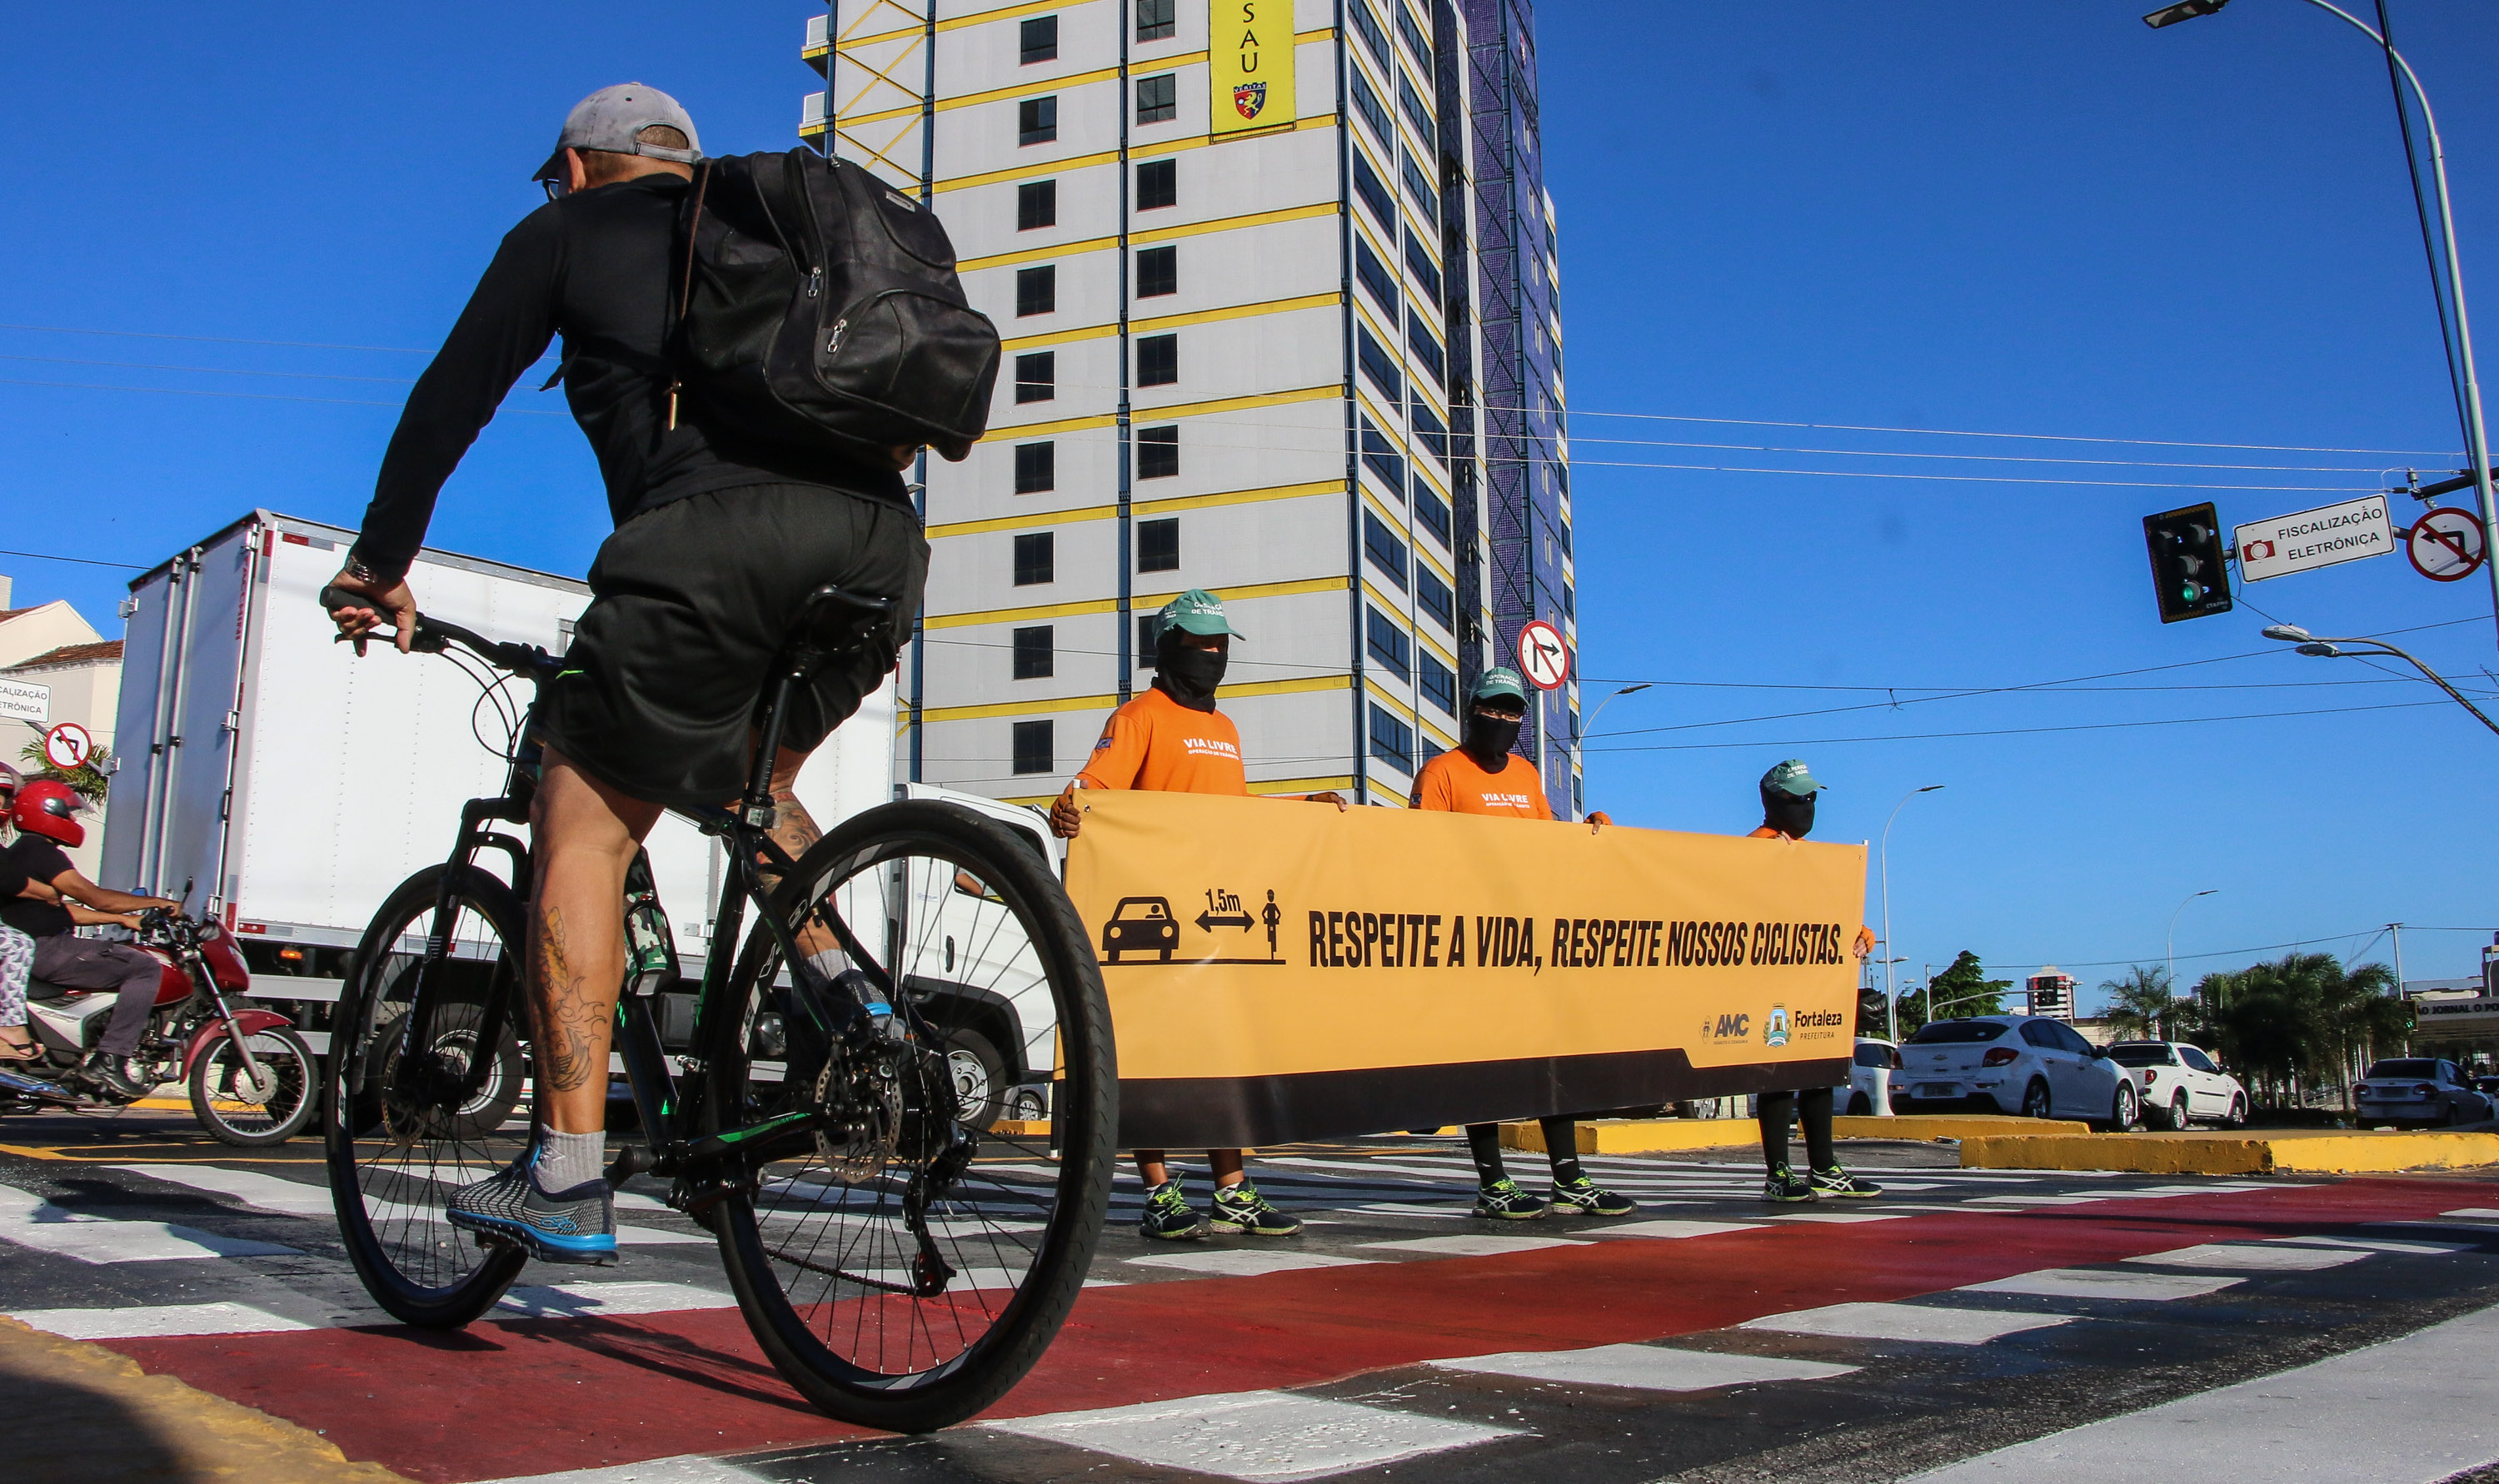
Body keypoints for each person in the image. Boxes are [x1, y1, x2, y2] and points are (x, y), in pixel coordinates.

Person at [325, 84, 938, 1265]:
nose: (551, 196)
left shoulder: (568, 230)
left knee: (585, 818)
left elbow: (447, 402)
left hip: (709, 546)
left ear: (579, 163)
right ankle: (861, 1010)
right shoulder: (775, 228)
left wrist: (379, 566)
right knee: (755, 785)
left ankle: (565, 1169)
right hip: (877, 549)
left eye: (552, 178)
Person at [1050, 590, 1345, 1241]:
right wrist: (1066, 809)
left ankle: (1232, 1191)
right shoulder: (1138, 717)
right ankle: (1159, 1192)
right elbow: (1092, 791)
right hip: (1152, 915)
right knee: (1155, 1054)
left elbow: (1233, 810)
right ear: (1169, 647)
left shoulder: (1225, 728)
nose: (1213, 657)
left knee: (1220, 1052)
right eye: (1200, 645)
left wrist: (1304, 803)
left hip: (1218, 914)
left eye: (1220, 647)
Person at [1408, 668, 1638, 1221]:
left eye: (1514, 713)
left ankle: (1569, 1177)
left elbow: (1550, 847)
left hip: (1529, 946)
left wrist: (1590, 834)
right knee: (1482, 1068)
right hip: (1470, 947)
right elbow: (1417, 855)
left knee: (1553, 1060)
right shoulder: (1441, 773)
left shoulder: (1527, 775)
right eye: (1494, 710)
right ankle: (1493, 1183)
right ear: (1473, 711)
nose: (1503, 721)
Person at [1747, 759, 1881, 1203]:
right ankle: (1779, 1172)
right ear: (1772, 801)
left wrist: (1859, 932)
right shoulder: (1753, 851)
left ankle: (1824, 1166)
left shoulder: (1815, 857)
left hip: (1814, 982)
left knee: (1820, 1069)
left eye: (1812, 798)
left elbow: (1825, 917)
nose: (1807, 806)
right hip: (1771, 983)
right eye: (1797, 798)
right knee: (1779, 1074)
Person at [0, 781, 182, 1097]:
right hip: (49, 950)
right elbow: (95, 897)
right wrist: (155, 902)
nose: (74, 821)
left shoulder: (21, 853)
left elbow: (63, 911)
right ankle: (111, 1060)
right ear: (49, 813)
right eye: (70, 813)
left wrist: (123, 919)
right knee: (144, 967)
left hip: (41, 946)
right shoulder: (42, 853)